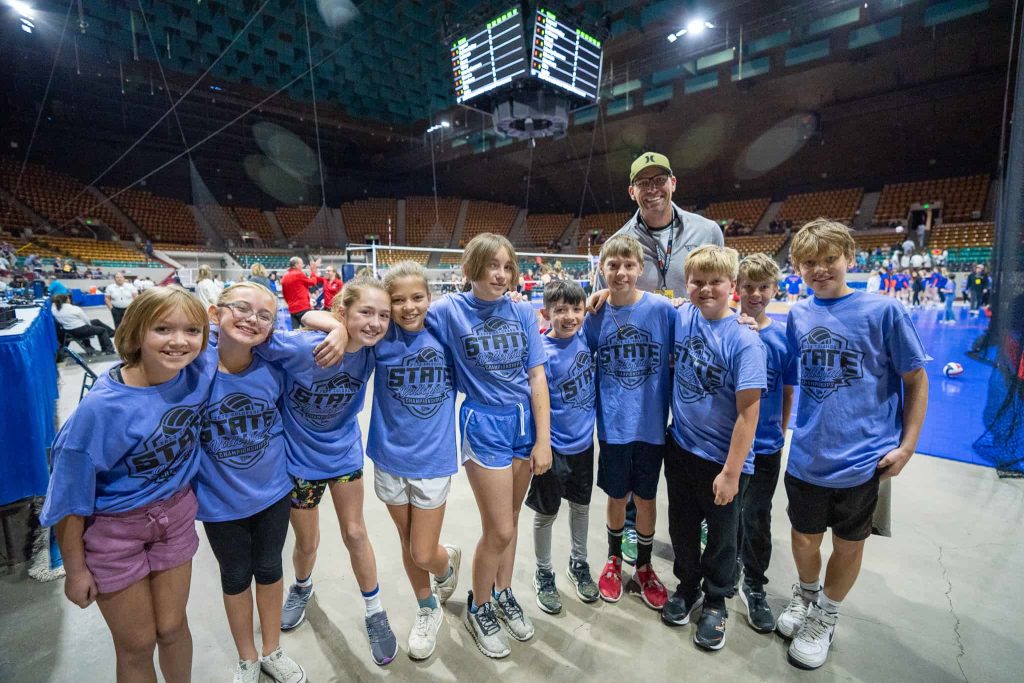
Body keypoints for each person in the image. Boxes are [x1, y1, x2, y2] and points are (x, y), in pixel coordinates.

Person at [40, 286, 214, 682]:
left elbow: (242, 330)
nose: (179, 341)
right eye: (163, 329)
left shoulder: (197, 370)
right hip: (116, 531)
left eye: (192, 330)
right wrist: (76, 569)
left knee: (172, 628)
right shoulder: (101, 410)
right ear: (136, 333)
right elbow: (68, 497)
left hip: (175, 517)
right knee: (136, 643)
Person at [778, 219, 929, 670]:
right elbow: (786, 372)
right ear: (798, 268)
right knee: (804, 540)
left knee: (848, 544)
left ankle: (825, 615)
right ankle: (806, 596)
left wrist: (907, 447)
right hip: (808, 454)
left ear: (849, 259)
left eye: (829, 259)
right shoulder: (799, 316)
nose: (820, 269)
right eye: (810, 263)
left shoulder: (884, 311)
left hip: (865, 460)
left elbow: (916, 380)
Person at [257, 277, 398, 666]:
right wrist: (329, 327)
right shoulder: (304, 347)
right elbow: (260, 335)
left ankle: (374, 610)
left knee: (355, 532)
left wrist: (336, 325)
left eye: (382, 315)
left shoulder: (373, 351)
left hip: (344, 455)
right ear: (344, 312)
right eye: (365, 312)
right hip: (299, 460)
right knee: (306, 543)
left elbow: (420, 317)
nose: (375, 322)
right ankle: (302, 587)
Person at [426, 232, 552, 659]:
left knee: (512, 520)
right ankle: (478, 607)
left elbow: (537, 377)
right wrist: (329, 322)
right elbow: (395, 314)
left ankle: (502, 592)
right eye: (492, 265)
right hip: (482, 422)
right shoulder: (448, 311)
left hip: (523, 424)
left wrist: (544, 439)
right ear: (471, 268)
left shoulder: (521, 312)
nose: (500, 275)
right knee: (498, 528)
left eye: (507, 266)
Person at [596, 151, 724, 564]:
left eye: (659, 180)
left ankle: (703, 517)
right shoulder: (622, 240)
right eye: (643, 183)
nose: (652, 190)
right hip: (645, 360)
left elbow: (719, 284)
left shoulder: (708, 231)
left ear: (673, 183)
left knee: (698, 438)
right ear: (632, 191)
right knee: (637, 432)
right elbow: (616, 289)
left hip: (692, 357)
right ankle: (631, 526)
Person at [195, 282, 305, 683]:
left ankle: (272, 649)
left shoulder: (273, 368)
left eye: (264, 315)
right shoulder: (193, 370)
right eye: (241, 308)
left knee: (270, 567)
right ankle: (247, 657)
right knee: (236, 576)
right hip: (220, 499)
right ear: (214, 313)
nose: (251, 319)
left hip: (273, 491)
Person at [661, 245, 766, 651]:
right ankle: (687, 587)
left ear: (733, 286)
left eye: (715, 282)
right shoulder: (683, 315)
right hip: (682, 449)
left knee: (723, 537)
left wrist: (731, 472)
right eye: (697, 282)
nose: (705, 289)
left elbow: (748, 416)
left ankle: (717, 600)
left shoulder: (744, 341)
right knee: (682, 528)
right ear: (686, 285)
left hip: (723, 461)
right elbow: (649, 301)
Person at [365, 262, 462, 660]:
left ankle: (446, 560)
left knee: (424, 551)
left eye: (417, 297)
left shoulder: (447, 336)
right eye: (398, 300)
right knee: (408, 543)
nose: (408, 307)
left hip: (433, 461)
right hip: (389, 459)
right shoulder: (381, 340)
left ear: (430, 297)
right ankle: (427, 609)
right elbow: (334, 316)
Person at [583, 235, 674, 610]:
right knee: (617, 496)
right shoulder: (594, 316)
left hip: (651, 427)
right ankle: (614, 559)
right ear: (601, 269)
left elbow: (705, 323)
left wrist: (748, 322)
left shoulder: (663, 311)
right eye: (613, 265)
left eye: (628, 265)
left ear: (641, 268)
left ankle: (646, 567)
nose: (621, 272)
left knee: (647, 499)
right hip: (613, 427)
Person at [528, 279, 600, 616]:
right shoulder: (542, 352)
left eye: (576, 309)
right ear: (545, 314)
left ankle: (579, 562)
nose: (569, 316)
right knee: (546, 514)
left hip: (584, 446)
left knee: (582, 508)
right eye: (560, 310)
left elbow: (605, 298)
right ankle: (543, 571)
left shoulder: (584, 336)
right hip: (553, 448)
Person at [733, 254, 797, 634]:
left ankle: (753, 582)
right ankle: (723, 571)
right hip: (728, 443)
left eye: (763, 288)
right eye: (748, 287)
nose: (755, 294)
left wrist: (779, 433)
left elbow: (787, 392)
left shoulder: (782, 339)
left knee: (757, 515)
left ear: (774, 290)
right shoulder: (728, 327)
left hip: (767, 446)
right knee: (725, 513)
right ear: (737, 288)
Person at [281, 257, 320, 329]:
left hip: (292, 309)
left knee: (295, 332)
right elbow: (313, 282)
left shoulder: (284, 276)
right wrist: (313, 272)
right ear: (296, 265)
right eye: (301, 264)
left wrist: (290, 303)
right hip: (302, 307)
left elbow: (285, 294)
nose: (302, 266)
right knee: (308, 330)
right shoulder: (299, 274)